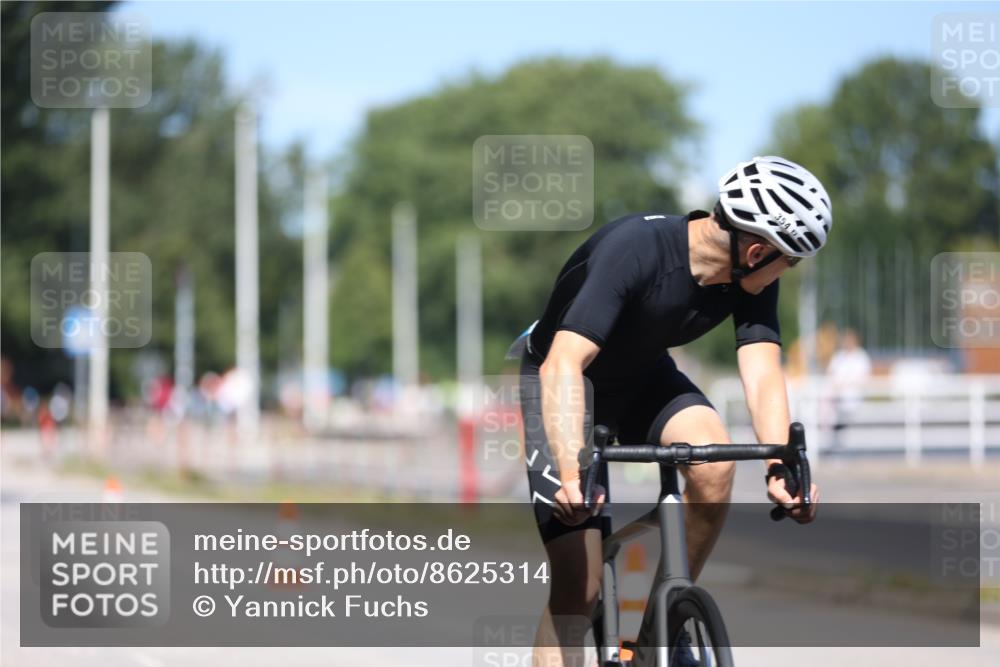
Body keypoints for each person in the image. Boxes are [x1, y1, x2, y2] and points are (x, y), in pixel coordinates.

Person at [516, 156, 829, 667]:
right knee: (581, 587)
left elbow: (763, 369)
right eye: (789, 261)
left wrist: (779, 466)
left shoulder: (749, 276)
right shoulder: (634, 251)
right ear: (756, 249)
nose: (786, 272)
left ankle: (660, 632)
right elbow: (564, 364)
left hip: (642, 378)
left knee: (715, 466)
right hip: (562, 383)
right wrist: (572, 472)